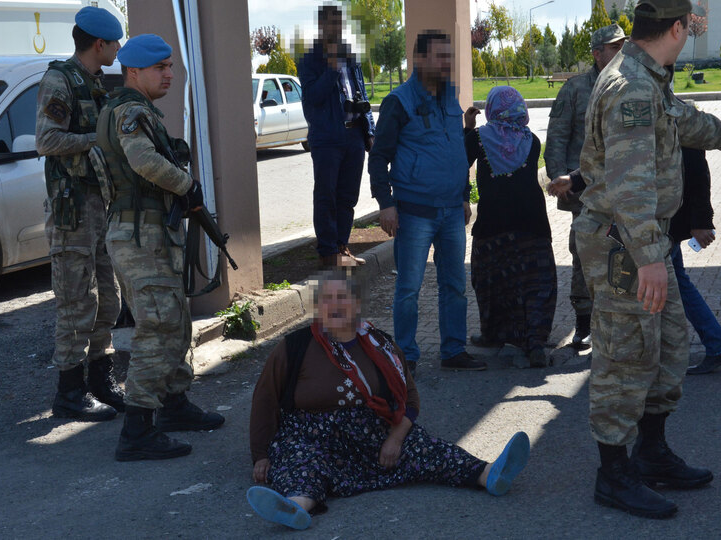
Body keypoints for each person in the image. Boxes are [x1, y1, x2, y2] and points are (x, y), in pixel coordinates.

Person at [548, 0, 721, 519]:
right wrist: (648, 258)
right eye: (690, 25)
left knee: (668, 344)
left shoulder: (649, 77)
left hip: (642, 241)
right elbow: (629, 181)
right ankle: (613, 474)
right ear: (675, 28)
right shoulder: (631, 89)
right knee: (624, 353)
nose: (691, 31)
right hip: (624, 242)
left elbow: (683, 121)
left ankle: (651, 452)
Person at [247, 270, 530, 530]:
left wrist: (395, 438)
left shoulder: (380, 343)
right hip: (310, 437)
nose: (334, 306)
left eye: (342, 299)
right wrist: (261, 455)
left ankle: (490, 475)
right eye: (326, 300)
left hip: (369, 434)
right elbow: (265, 400)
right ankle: (296, 507)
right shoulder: (294, 346)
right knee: (302, 464)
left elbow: (410, 398)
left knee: (426, 449)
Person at [97, 34, 225, 461]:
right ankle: (137, 430)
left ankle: (173, 405)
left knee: (174, 320)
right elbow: (144, 162)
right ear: (134, 71)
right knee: (156, 326)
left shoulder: (136, 109)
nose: (170, 74)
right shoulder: (131, 111)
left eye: (171, 66)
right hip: (140, 237)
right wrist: (187, 184)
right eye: (161, 68)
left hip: (148, 233)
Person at [368, 30, 484, 373]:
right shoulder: (398, 101)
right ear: (419, 60)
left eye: (449, 56)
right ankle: (406, 356)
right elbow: (378, 157)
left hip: (451, 211)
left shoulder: (451, 97)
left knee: (455, 285)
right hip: (414, 212)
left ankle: (453, 351)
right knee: (408, 288)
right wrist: (385, 203)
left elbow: (457, 151)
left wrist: (464, 196)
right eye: (440, 56)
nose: (447, 63)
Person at [36, 6, 124, 422]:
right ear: (99, 44)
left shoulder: (95, 82)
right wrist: (98, 139)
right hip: (72, 209)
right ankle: (69, 393)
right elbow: (46, 138)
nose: (118, 50)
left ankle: (99, 381)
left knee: (108, 298)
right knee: (75, 302)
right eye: (114, 43)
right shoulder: (60, 79)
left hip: (99, 206)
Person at [544, 23, 626, 349]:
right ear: (597, 53)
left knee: (623, 253)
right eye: (614, 47)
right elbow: (557, 139)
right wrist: (561, 180)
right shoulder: (575, 90)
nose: (622, 52)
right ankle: (583, 323)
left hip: (623, 190)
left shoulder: (632, 84)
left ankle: (619, 319)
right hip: (584, 192)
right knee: (582, 254)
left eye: (624, 46)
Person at [464, 86, 555, 368]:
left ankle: (493, 334)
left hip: (493, 224)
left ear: (493, 108)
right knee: (535, 283)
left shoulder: (478, 139)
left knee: (491, 280)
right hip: (533, 223)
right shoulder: (534, 141)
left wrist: (468, 127)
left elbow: (460, 161)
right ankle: (535, 342)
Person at [298, 5, 376, 267]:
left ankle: (342, 247)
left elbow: (361, 94)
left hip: (354, 136)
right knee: (326, 196)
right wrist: (331, 67)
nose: (336, 28)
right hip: (327, 138)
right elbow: (313, 97)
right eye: (330, 23)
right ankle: (328, 251)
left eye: (339, 23)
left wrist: (370, 131)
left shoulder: (350, 55)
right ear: (320, 26)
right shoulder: (310, 59)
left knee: (348, 197)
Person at [670, 147, 721, 375]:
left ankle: (715, 344)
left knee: (673, 284)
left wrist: (701, 221)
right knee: (677, 284)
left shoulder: (675, 115)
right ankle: (716, 344)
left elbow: (697, 171)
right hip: (659, 221)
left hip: (663, 223)